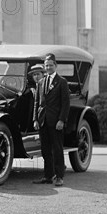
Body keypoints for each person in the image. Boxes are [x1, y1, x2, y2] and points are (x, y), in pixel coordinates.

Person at [33, 54, 70, 187]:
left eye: (50, 65)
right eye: (46, 65)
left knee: (57, 149)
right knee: (45, 150)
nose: (48, 67)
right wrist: (35, 119)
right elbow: (37, 102)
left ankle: (59, 176)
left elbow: (66, 104)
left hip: (56, 122)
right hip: (43, 121)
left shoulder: (62, 82)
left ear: (55, 66)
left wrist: (61, 120)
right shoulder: (41, 82)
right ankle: (48, 176)